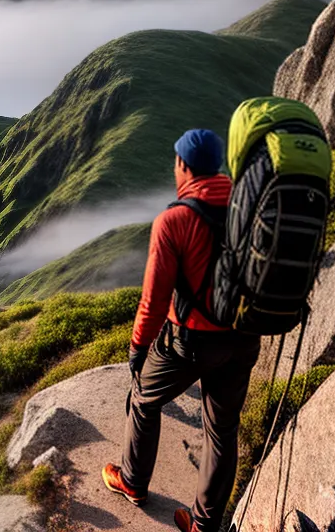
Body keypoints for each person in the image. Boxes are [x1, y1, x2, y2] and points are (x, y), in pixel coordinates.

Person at [101, 128, 261, 532]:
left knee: (143, 399)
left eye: (176, 162)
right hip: (243, 337)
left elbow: (154, 300)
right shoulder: (249, 208)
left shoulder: (175, 220)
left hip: (190, 340)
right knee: (222, 430)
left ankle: (133, 483)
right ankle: (204, 525)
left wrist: (138, 348)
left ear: (184, 166)